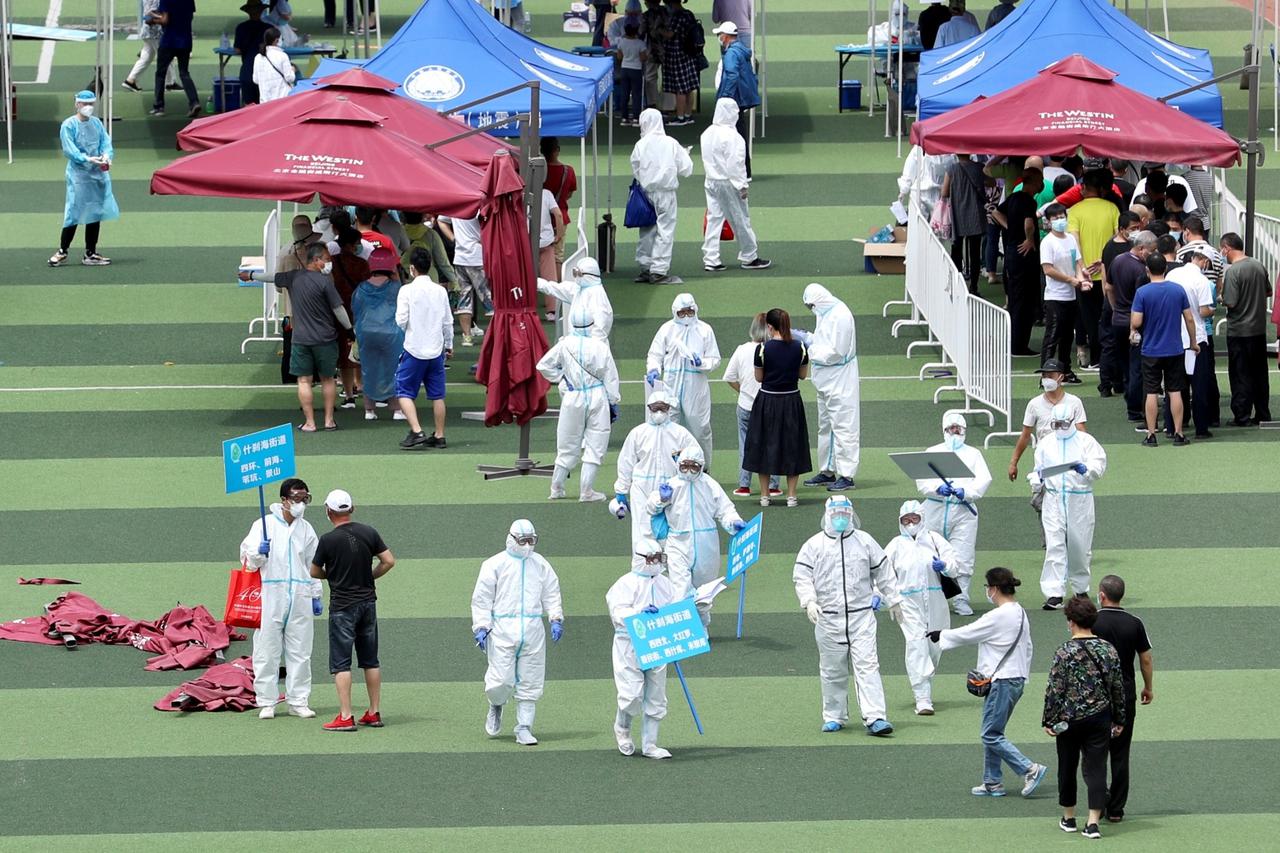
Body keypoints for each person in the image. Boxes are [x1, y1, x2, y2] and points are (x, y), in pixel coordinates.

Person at [931, 567, 1047, 798]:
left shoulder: (999, 615)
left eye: (987, 587)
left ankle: (1029, 769)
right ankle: (992, 781)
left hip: (1002, 681)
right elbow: (1028, 647)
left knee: (990, 734)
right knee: (994, 731)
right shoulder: (1020, 612)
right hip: (1015, 678)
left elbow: (971, 632)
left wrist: (941, 635)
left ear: (993, 589)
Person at [793, 495, 899, 735]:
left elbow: (884, 572)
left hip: (861, 616)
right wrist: (808, 600)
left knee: (868, 666)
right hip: (828, 617)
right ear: (827, 514)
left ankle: (875, 717)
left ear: (851, 514)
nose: (840, 517)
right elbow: (801, 577)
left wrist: (894, 599)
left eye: (844, 513)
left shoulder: (865, 541)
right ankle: (834, 715)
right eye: (836, 513)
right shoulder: (814, 545)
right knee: (832, 669)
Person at [471, 520, 564, 746]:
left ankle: (524, 727)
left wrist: (555, 617)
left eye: (532, 540)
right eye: (523, 541)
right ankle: (496, 704)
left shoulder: (540, 564)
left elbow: (551, 592)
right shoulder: (494, 565)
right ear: (511, 539)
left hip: (532, 629)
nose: (528, 545)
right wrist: (481, 626)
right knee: (500, 680)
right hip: (502, 629)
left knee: (531, 680)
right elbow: (482, 599)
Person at [308, 489, 395, 732]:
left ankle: (346, 715)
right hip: (368, 603)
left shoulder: (327, 540)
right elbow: (388, 561)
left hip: (342, 607)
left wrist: (332, 577)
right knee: (370, 660)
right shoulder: (369, 531)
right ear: (351, 509)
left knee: (341, 663)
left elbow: (314, 571)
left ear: (329, 511)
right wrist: (370, 576)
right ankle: (373, 712)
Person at [1041, 597, 1126, 839]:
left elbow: (1055, 689)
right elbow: (1117, 687)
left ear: (1071, 622)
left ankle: (1069, 818)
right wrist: (1119, 719)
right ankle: (1092, 823)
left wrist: (1048, 720)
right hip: (1100, 717)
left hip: (1068, 719)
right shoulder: (1108, 649)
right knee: (1097, 768)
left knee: (1067, 767)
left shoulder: (1064, 651)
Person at [238, 477, 320, 720]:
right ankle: (266, 701)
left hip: (300, 594)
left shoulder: (306, 529)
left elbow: (313, 565)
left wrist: (316, 594)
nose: (301, 503)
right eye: (296, 498)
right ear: (284, 500)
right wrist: (258, 553)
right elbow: (247, 561)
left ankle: (298, 700)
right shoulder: (263, 525)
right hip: (271, 593)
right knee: (266, 649)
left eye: (305, 498)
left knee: (301, 650)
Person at [646, 445, 745, 626]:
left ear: (701, 466)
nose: (689, 471)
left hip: (706, 543)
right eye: (685, 466)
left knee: (703, 593)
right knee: (680, 589)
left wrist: (733, 522)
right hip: (677, 542)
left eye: (694, 466)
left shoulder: (709, 485)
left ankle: (701, 626)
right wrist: (661, 499)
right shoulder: (672, 485)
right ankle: (683, 629)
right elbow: (651, 507)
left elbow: (725, 510)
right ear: (678, 464)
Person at [537, 304, 622, 502]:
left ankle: (556, 487)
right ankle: (587, 490)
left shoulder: (565, 344)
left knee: (567, 442)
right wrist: (613, 400)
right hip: (596, 395)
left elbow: (543, 365)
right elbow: (611, 377)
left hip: (573, 396)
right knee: (595, 443)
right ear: (591, 324)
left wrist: (562, 378)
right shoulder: (600, 346)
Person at [914, 413, 991, 616]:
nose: (955, 433)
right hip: (934, 507)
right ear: (944, 430)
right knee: (928, 551)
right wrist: (937, 488)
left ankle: (961, 598)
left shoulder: (973, 454)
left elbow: (983, 480)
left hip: (963, 510)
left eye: (958, 429)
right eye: (951, 429)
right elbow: (922, 481)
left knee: (963, 555)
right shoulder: (933, 452)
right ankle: (928, 598)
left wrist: (967, 492)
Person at [607, 538, 678, 758]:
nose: (655, 562)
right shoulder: (624, 584)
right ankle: (623, 728)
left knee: (656, 694)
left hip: (657, 643)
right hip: (629, 643)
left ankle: (650, 744)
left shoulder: (665, 583)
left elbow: (675, 606)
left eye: (658, 558)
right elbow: (617, 611)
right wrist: (638, 612)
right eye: (651, 559)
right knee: (631, 694)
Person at [885, 499, 957, 715]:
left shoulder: (935, 540)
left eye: (914, 518)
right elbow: (883, 573)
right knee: (916, 643)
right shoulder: (896, 545)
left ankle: (926, 683)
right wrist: (881, 596)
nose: (910, 523)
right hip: (907, 602)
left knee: (935, 643)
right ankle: (922, 697)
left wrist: (944, 566)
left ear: (922, 519)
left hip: (936, 599)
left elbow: (954, 565)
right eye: (906, 520)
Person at [1092, 575, 1154, 824]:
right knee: (1120, 753)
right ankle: (1116, 809)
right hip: (1125, 695)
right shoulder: (1135, 623)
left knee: (1094, 753)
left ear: (1102, 595)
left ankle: (1098, 804)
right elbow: (1146, 659)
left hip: (1096, 696)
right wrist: (1148, 687)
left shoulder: (1092, 621)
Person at [1032, 403, 1107, 609]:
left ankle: (1080, 589)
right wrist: (1036, 479)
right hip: (1054, 500)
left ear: (1072, 421)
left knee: (1080, 545)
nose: (1060, 427)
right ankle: (1054, 592)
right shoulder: (1046, 443)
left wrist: (1086, 470)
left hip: (1079, 499)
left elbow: (1099, 466)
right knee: (1055, 545)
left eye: (1064, 423)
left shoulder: (1086, 441)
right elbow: (1037, 469)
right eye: (1056, 423)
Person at [1007, 360, 1088, 545]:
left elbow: (1082, 431)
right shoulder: (1035, 404)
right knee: (1040, 501)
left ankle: (1071, 541)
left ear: (1061, 377)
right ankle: (1050, 542)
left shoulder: (1074, 402)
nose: (1046, 379)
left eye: (1049, 375)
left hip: (1068, 459)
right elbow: (1025, 435)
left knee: (1069, 500)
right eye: (1043, 376)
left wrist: (1086, 458)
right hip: (1045, 461)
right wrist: (1014, 462)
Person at [275, 243, 353, 432]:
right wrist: (350, 330)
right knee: (328, 379)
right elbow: (338, 309)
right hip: (325, 340)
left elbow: (272, 278)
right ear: (316, 260)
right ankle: (329, 421)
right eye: (327, 259)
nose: (329, 262)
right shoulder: (326, 282)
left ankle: (310, 422)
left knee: (304, 381)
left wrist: (251, 276)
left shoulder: (293, 277)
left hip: (301, 339)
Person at [1130, 253, 1199, 446]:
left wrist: (1133, 330)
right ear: (1166, 269)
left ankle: (1151, 434)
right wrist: (1193, 342)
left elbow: (1136, 321)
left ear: (1147, 270)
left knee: (1151, 391)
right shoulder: (1177, 290)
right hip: (1174, 349)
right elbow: (1190, 319)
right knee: (1175, 391)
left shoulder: (1142, 292)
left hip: (1150, 349)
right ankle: (1178, 433)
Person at [744, 308, 811, 506]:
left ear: (770, 327)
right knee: (793, 445)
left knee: (763, 444)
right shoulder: (800, 347)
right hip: (791, 401)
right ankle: (792, 495)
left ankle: (765, 496)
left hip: (767, 401)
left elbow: (759, 377)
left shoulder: (762, 349)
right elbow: (802, 375)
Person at [613, 390, 698, 546]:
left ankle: (670, 566)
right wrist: (621, 490)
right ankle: (642, 566)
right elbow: (626, 461)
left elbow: (696, 457)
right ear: (649, 408)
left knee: (673, 530)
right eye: (655, 407)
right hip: (642, 489)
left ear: (669, 408)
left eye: (663, 407)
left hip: (671, 487)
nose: (659, 411)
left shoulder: (680, 433)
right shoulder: (638, 433)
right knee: (642, 531)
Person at [645, 293, 720, 466]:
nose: (686, 315)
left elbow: (714, 358)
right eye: (682, 312)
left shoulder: (704, 330)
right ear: (675, 312)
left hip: (695, 386)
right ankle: (668, 467)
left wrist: (702, 363)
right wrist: (654, 369)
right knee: (668, 426)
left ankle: (703, 466)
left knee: (700, 428)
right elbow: (655, 354)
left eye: (689, 311)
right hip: (671, 385)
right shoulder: (666, 329)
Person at [800, 284, 860, 492]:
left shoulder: (841, 315)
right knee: (825, 425)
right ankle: (827, 470)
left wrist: (809, 345)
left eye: (811, 305)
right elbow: (823, 339)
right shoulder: (824, 312)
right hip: (824, 379)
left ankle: (847, 475)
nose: (811, 309)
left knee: (844, 426)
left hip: (840, 378)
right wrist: (809, 337)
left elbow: (837, 352)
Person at [700, 97, 771, 272]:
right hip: (729, 182)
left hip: (711, 180)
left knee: (714, 218)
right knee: (740, 218)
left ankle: (711, 258)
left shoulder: (707, 132)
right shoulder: (733, 136)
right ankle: (749, 256)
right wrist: (742, 185)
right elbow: (736, 164)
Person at [50, 91, 117, 268]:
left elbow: (105, 142)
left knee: (94, 213)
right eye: (84, 103)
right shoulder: (69, 125)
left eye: (91, 104)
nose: (88, 107)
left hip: (97, 174)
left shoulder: (96, 123)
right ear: (76, 104)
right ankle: (62, 251)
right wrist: (87, 158)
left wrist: (106, 156)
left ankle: (90, 253)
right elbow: (69, 150)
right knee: (73, 212)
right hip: (79, 175)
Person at [395, 248, 452, 450]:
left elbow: (401, 320)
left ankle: (417, 430)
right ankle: (439, 434)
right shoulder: (440, 290)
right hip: (436, 349)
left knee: (404, 391)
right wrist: (449, 344)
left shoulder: (406, 291)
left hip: (414, 348)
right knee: (437, 395)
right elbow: (447, 322)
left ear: (412, 269)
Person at [631, 108, 694, 284]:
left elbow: (635, 167)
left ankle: (645, 267)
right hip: (666, 192)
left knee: (646, 229)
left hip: (645, 192)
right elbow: (687, 169)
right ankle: (658, 270)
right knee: (665, 230)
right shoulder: (671, 143)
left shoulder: (640, 145)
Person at [1219, 232, 1274, 425]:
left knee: (1240, 374)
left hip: (1239, 331)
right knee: (1260, 374)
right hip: (1258, 329)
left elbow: (1231, 302)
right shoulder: (1258, 265)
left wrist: (1221, 298)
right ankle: (1262, 413)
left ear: (1227, 248)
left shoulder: (1233, 272)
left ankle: (1242, 416)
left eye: (1222, 250)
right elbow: (1269, 291)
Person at [723, 313, 779, 497]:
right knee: (772, 443)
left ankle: (744, 485)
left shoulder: (742, 350)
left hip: (747, 404)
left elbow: (729, 377)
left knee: (745, 445)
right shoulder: (775, 349)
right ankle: (773, 485)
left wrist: (743, 391)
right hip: (771, 404)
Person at [1067, 173, 1119, 371]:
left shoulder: (1075, 211)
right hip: (1108, 272)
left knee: (1089, 317)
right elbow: (1116, 238)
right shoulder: (1112, 208)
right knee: (1108, 315)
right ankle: (1109, 358)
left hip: (1085, 274)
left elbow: (1074, 240)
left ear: (1086, 187)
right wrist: (1104, 260)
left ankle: (1096, 358)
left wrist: (1081, 267)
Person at [1165, 244, 1217, 438]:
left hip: (1173, 338)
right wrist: (1212, 309)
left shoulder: (1173, 275)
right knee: (1199, 385)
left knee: (1174, 385)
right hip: (1195, 340)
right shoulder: (1201, 281)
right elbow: (1204, 311)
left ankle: (1172, 426)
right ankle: (1201, 428)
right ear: (1204, 261)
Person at [992, 169, 1044, 354]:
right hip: (1024, 256)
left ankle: (1014, 341)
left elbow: (995, 212)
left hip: (1012, 252)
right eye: (1040, 179)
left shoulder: (1013, 198)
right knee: (1025, 300)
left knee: (1015, 297)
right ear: (1034, 181)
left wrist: (1009, 227)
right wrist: (1029, 239)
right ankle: (1019, 344)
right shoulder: (1028, 201)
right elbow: (1029, 223)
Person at [1107, 230, 1156, 422]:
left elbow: (1108, 287)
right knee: (1137, 368)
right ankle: (1135, 409)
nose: (1153, 255)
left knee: (1126, 366)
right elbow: (1141, 302)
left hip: (1118, 320)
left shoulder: (1118, 260)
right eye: (1151, 251)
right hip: (1134, 324)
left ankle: (1130, 398)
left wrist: (1115, 309)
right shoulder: (1140, 271)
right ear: (1142, 248)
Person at [352, 252, 404, 420]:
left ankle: (369, 410)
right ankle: (396, 409)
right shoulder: (396, 287)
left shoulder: (361, 288)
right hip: (391, 334)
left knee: (368, 369)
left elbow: (355, 310)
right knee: (394, 371)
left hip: (366, 333)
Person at [1039, 203, 1087, 378]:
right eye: (1056, 218)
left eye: (1062, 217)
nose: (1060, 220)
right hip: (1055, 296)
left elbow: (1078, 262)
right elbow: (1048, 269)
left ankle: (1065, 370)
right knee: (1052, 336)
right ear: (1049, 221)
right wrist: (1071, 279)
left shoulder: (1070, 239)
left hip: (1071, 295)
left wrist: (1083, 277)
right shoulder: (1047, 242)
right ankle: (1046, 374)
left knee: (1067, 335)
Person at [1097, 212, 1142, 397]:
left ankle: (1116, 383)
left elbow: (1104, 276)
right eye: (1133, 229)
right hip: (1118, 304)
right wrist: (1112, 304)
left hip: (1116, 302)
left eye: (1138, 228)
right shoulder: (1116, 249)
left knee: (1115, 347)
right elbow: (1106, 279)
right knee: (1112, 346)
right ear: (1122, 229)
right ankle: (1108, 383)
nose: (1136, 231)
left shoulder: (1114, 246)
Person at [712, 21, 760, 178]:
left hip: (733, 101)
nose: (719, 37)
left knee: (732, 135)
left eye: (720, 35)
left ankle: (741, 171)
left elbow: (732, 76)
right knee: (740, 134)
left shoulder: (731, 54)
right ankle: (745, 170)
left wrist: (725, 96)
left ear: (725, 37)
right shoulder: (740, 50)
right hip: (740, 99)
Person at [439, 214, 491, 347]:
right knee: (489, 299)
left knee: (464, 300)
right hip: (478, 257)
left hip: (460, 258)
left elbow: (441, 220)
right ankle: (494, 336)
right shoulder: (478, 203)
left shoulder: (456, 203)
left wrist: (454, 238)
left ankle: (466, 336)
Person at [941, 154, 988, 294]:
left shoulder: (951, 169)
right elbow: (991, 182)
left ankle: (957, 284)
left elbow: (944, 191)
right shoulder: (980, 168)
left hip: (957, 213)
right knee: (975, 252)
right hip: (976, 214)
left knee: (956, 250)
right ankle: (974, 286)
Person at [538, 257, 614, 344]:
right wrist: (534, 282)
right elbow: (553, 288)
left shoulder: (598, 296)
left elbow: (601, 328)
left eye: (578, 273)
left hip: (592, 351)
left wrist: (590, 349)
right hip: (575, 346)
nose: (575, 276)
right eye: (574, 272)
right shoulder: (578, 289)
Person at [148, 0, 200, 118]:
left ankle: (159, 106)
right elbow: (190, 17)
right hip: (185, 40)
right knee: (184, 73)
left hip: (169, 40)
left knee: (161, 73)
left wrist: (153, 21)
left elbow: (165, 20)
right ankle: (194, 102)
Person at [658, 0, 701, 126]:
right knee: (689, 87)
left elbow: (670, 34)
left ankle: (680, 117)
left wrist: (659, 30)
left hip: (677, 54)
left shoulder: (678, 16)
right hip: (689, 53)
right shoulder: (689, 14)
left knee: (680, 88)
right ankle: (687, 115)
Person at [123, 0, 180, 93]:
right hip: (155, 32)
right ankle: (170, 83)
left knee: (146, 57)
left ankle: (130, 80)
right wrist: (164, 17)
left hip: (149, 31)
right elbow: (150, 12)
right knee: (167, 55)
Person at [897, 146, 956, 223]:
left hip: (941, 195)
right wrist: (903, 189)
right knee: (918, 224)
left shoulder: (951, 148)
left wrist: (903, 190)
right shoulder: (919, 147)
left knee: (940, 227)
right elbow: (910, 167)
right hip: (920, 193)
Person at [230, 2, 270, 103]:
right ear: (261, 11)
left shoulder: (241, 28)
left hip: (247, 69)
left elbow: (237, 49)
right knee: (265, 104)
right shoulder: (268, 28)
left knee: (249, 104)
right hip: (265, 71)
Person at [252, 27, 295, 103]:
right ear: (276, 40)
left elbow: (256, 80)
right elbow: (289, 78)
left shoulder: (258, 57)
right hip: (283, 98)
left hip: (265, 100)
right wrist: (292, 70)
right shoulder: (283, 56)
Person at [617, 24, 649, 126]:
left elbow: (619, 56)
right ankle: (636, 118)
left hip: (624, 69)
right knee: (636, 95)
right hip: (636, 69)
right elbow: (643, 58)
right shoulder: (640, 43)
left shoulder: (621, 42)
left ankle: (624, 118)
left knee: (624, 94)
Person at [642, 0, 668, 109]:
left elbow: (641, 33)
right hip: (669, 49)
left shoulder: (646, 16)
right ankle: (668, 106)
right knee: (668, 78)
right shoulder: (666, 12)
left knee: (650, 78)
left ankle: (652, 103)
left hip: (652, 50)